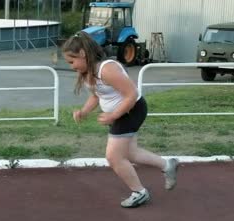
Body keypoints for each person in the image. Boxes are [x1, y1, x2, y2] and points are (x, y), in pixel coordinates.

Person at [62, 32, 179, 208]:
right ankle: (167, 165)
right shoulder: (89, 72)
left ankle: (139, 192)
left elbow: (131, 94)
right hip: (121, 113)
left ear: (83, 54)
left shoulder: (107, 69)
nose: (71, 66)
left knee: (114, 156)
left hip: (131, 110)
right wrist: (84, 111)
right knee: (130, 153)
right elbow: (96, 95)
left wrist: (113, 115)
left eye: (72, 61)